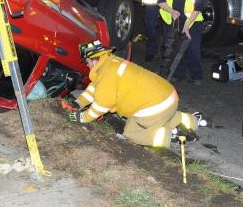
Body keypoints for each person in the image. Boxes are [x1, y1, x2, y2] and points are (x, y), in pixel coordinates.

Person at [63, 40, 211, 148]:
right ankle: (196, 121)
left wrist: (82, 117)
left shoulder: (107, 73)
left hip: (154, 105)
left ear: (93, 60)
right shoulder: (110, 63)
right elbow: (94, 90)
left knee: (132, 132)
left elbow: (102, 105)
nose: (86, 65)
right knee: (165, 116)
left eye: (87, 62)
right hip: (168, 98)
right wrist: (78, 103)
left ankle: (172, 135)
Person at [157, 0, 207, 85]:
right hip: (172, 20)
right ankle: (178, 74)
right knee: (173, 47)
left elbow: (198, 8)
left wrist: (187, 26)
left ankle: (197, 76)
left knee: (193, 48)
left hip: (193, 22)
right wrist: (171, 11)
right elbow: (160, 1)